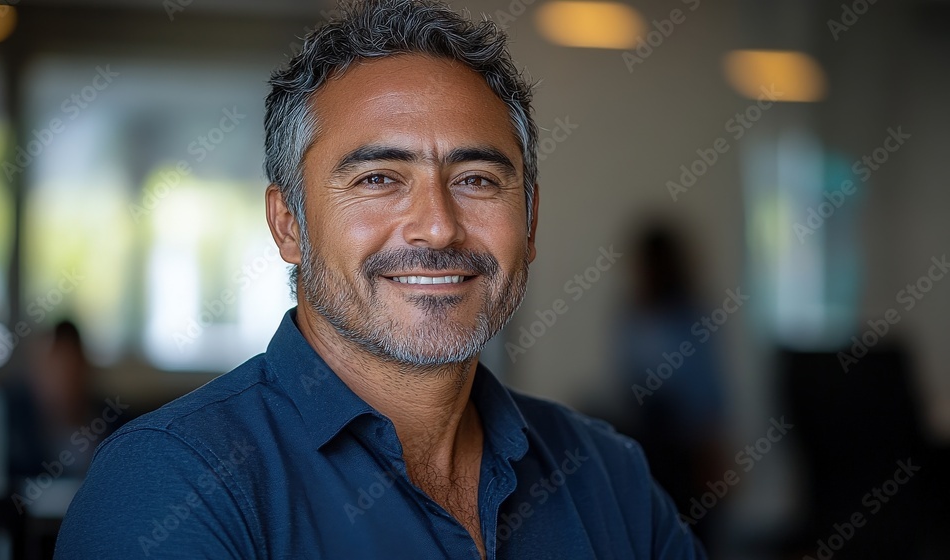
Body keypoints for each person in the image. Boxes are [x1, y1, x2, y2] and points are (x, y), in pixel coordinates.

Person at [55, 1, 706, 558]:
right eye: (378, 179)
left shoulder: (609, 477)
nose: (437, 228)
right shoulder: (172, 483)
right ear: (288, 226)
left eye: (476, 180)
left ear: (530, 221)